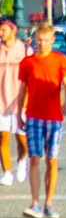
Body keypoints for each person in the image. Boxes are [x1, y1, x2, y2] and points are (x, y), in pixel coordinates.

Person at [19, 24, 66, 218]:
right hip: (34, 116)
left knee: (52, 160)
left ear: (52, 40)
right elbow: (22, 89)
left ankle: (48, 203)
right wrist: (19, 112)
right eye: (38, 40)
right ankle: (35, 202)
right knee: (34, 158)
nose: (41, 44)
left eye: (45, 40)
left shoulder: (61, 61)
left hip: (53, 117)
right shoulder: (28, 63)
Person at [0, 17, 21, 188]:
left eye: (4, 30)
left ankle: (23, 160)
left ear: (13, 30)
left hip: (20, 101)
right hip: (1, 101)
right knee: (3, 137)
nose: (1, 33)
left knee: (22, 138)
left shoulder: (24, 50)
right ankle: (7, 172)